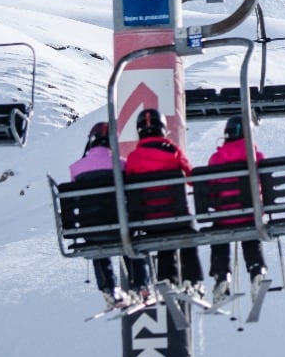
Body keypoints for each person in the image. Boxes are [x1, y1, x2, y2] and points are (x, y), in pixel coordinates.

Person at [68, 121, 150, 309]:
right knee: (131, 240)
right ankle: (140, 286)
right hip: (120, 228)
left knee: (97, 238)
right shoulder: (121, 165)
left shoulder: (76, 168)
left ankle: (108, 288)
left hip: (92, 230)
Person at [124, 109, 204, 295]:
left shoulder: (134, 158)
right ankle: (192, 280)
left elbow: (128, 186)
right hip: (177, 219)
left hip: (148, 222)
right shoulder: (174, 152)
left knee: (163, 240)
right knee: (187, 234)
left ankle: (167, 280)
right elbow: (192, 178)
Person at [205, 115, 271, 302]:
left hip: (224, 217)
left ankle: (221, 275)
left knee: (219, 235)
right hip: (250, 215)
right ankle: (256, 269)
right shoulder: (256, 157)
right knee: (251, 232)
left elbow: (209, 191)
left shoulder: (216, 159)